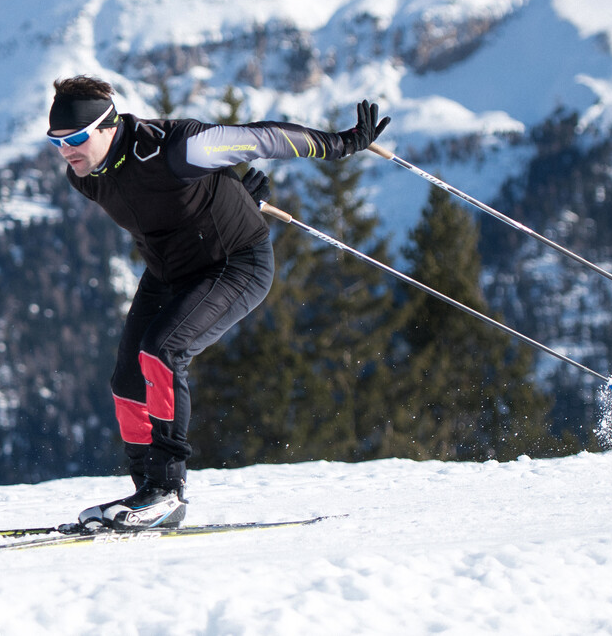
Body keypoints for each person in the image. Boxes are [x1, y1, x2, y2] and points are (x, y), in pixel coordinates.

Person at [46, 75, 389, 530]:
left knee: (162, 353)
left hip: (235, 263)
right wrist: (226, 198)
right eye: (57, 142)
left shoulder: (176, 148)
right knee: (127, 378)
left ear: (108, 126)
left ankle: (168, 490)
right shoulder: (85, 176)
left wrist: (341, 145)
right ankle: (148, 491)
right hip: (169, 271)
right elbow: (158, 206)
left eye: (75, 138)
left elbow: (262, 138)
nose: (66, 151)